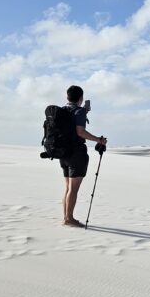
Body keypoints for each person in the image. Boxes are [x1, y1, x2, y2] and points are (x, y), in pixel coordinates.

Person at [60, 85, 107, 227]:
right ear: (80, 98)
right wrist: (99, 140)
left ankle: (66, 217)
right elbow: (80, 132)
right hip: (76, 154)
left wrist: (83, 112)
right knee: (73, 189)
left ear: (67, 97)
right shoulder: (79, 111)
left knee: (68, 188)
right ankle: (69, 219)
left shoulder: (63, 110)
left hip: (64, 153)